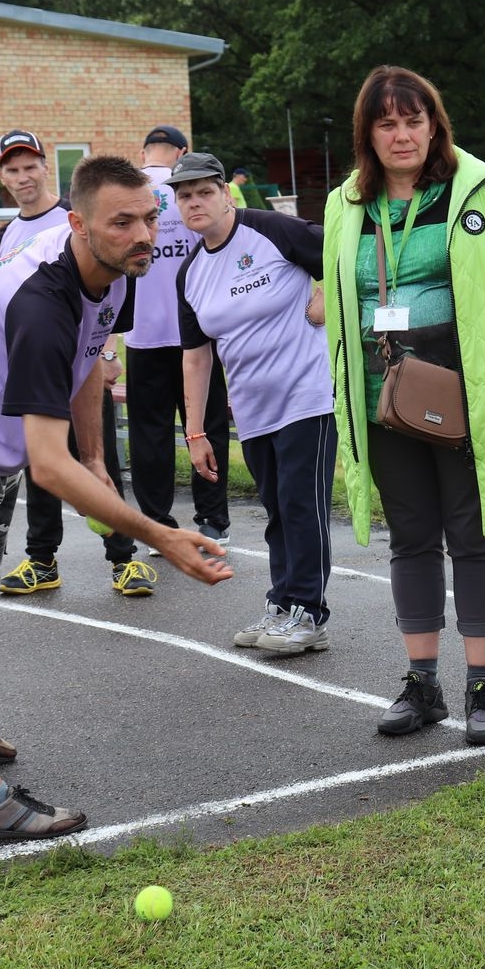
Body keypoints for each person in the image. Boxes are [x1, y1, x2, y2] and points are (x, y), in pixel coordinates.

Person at [0, 154, 233, 840]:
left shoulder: (116, 267)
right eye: (122, 222)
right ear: (78, 223)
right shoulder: (39, 302)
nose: (143, 235)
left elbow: (94, 350)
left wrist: (98, 457)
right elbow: (48, 467)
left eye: (149, 218)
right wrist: (158, 533)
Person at [323, 65, 485, 745]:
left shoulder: (479, 189)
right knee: (412, 542)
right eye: (386, 123)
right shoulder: (346, 204)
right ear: (368, 134)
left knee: (473, 539)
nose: (401, 135)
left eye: (412, 120)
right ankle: (420, 685)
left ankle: (481, 689)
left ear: (434, 125)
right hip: (380, 397)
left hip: (462, 397)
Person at [168, 151, 337, 655]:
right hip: (254, 410)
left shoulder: (271, 231)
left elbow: (348, 255)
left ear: (225, 193)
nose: (195, 202)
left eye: (203, 192)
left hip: (307, 395)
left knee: (302, 506)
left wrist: (327, 295)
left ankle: (310, 612)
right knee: (277, 510)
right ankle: (284, 603)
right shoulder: (191, 272)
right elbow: (196, 358)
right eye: (184, 196)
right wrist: (195, 432)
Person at [0, 130, 154, 599]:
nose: (23, 177)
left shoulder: (80, 218)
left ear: (45, 168)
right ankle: (42, 559)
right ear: (2, 177)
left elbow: (105, 293)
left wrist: (105, 353)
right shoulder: (7, 234)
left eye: (30, 167)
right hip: (37, 366)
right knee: (42, 464)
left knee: (98, 459)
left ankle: (125, 558)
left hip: (83, 364)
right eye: (12, 170)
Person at [123, 124, 233, 552]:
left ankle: (156, 524)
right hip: (197, 332)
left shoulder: (130, 191)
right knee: (206, 426)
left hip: (142, 333)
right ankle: (212, 519)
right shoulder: (191, 193)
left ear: (144, 152)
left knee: (149, 433)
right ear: (181, 152)